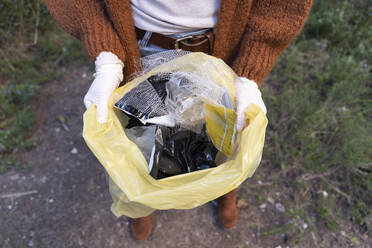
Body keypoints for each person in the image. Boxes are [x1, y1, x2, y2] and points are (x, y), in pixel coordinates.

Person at [45, 0, 313, 241]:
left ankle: (226, 189)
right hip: (136, 45)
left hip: (224, 45)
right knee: (143, 133)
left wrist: (250, 70)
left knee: (226, 129)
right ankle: (141, 200)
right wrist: (106, 57)